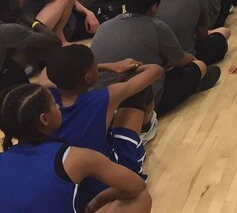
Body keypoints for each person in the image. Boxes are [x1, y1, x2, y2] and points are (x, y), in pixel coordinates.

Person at [0, 83, 152, 213]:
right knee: (140, 198)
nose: (58, 106)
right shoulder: (75, 157)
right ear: (44, 119)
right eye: (54, 103)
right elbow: (137, 186)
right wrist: (97, 201)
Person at [45, 45, 162, 205]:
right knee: (138, 89)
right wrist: (128, 68)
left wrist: (106, 66)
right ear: (87, 77)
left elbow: (47, 72)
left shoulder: (46, 97)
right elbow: (155, 71)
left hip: (66, 179)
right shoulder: (104, 98)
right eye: (95, 65)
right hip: (105, 178)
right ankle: (146, 128)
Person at [90, 0, 219, 116]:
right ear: (153, 7)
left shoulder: (104, 26)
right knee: (200, 66)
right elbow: (180, 59)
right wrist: (193, 59)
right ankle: (194, 84)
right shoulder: (157, 27)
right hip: (140, 103)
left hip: (100, 101)